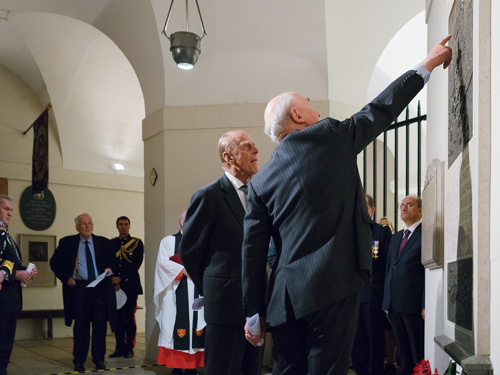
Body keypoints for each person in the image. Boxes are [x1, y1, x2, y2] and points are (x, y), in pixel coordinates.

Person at [241, 36, 452, 375]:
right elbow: (379, 111)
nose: (318, 112)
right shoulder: (328, 135)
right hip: (331, 288)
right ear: (297, 114)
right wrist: (426, 64)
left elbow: (252, 251)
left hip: (283, 301)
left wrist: (253, 312)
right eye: (310, 106)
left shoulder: (261, 181)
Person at [180, 130, 263, 375]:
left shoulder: (259, 195)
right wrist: (215, 289)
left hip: (256, 305)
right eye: (248, 146)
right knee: (224, 369)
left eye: (255, 145)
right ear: (228, 157)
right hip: (225, 303)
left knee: (251, 369)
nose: (256, 150)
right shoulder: (209, 196)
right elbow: (191, 252)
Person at [50, 213, 118, 372]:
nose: (87, 226)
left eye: (89, 223)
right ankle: (79, 360)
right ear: (77, 227)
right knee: (81, 326)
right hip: (79, 289)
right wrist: (66, 278)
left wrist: (110, 270)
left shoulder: (104, 242)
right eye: (83, 224)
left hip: (100, 288)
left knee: (100, 327)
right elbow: (54, 262)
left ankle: (99, 360)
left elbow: (113, 262)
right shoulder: (68, 242)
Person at [155, 211, 205, 375]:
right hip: (176, 289)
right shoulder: (168, 241)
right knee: (177, 324)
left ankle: (192, 368)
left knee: (197, 327)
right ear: (182, 222)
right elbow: (163, 264)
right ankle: (177, 367)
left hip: (197, 289)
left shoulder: (201, 240)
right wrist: (184, 270)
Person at [382, 196, 424, 375]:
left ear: (420, 210)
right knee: (403, 353)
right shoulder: (396, 237)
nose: (404, 208)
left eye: (409, 205)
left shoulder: (425, 233)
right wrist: (386, 302)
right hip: (394, 305)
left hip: (413, 304)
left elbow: (426, 273)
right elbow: (389, 270)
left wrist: (424, 304)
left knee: (417, 352)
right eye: (402, 205)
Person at [351, 194, 392, 375]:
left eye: (364, 206)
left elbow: (387, 265)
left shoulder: (381, 232)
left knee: (374, 339)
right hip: (352, 295)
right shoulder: (349, 232)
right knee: (356, 340)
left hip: (373, 295)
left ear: (372, 210)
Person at [0, 194, 38, 375]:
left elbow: (9, 266)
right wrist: (16, 274)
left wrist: (25, 271)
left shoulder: (6, 235)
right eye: (6, 209)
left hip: (10, 301)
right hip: (2, 299)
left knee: (6, 345)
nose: (10, 214)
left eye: (11, 210)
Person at [109, 216, 144, 359]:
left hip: (130, 286)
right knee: (117, 318)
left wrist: (121, 278)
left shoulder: (137, 243)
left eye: (126, 224)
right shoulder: (111, 243)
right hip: (114, 287)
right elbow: (109, 263)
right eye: (120, 224)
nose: (123, 227)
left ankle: (129, 347)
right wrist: (113, 279)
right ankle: (119, 347)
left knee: (129, 317)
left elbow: (135, 264)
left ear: (129, 226)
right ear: (117, 226)